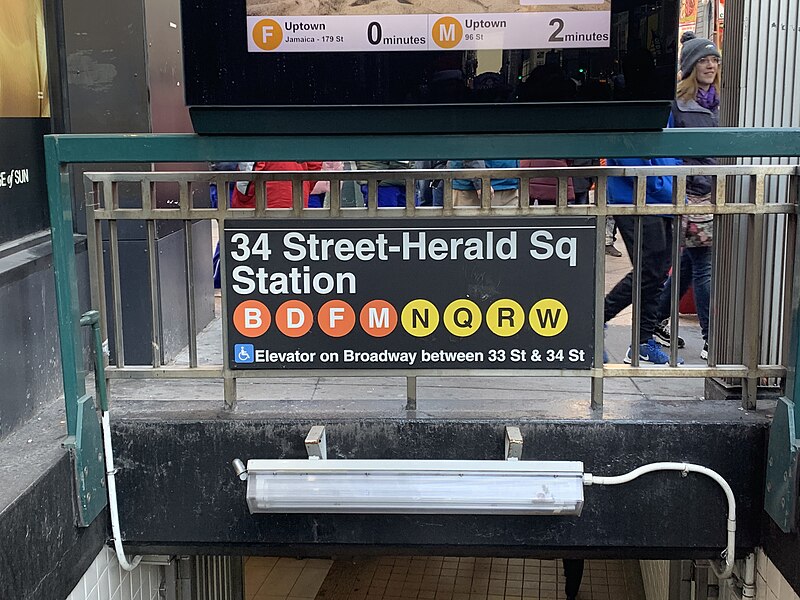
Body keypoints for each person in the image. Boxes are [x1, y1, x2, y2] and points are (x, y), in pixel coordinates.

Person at [653, 32, 721, 360]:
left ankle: (650, 321)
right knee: (704, 266)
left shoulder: (719, 101)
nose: (710, 65)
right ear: (690, 66)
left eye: (714, 60)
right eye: (703, 60)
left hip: (711, 192)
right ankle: (711, 339)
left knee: (687, 266)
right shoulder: (678, 104)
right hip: (693, 195)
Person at [604, 156, 684, 365]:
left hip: (657, 195)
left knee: (655, 273)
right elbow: (630, 153)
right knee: (650, 271)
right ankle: (598, 318)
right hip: (639, 197)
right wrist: (667, 184)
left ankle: (642, 342)